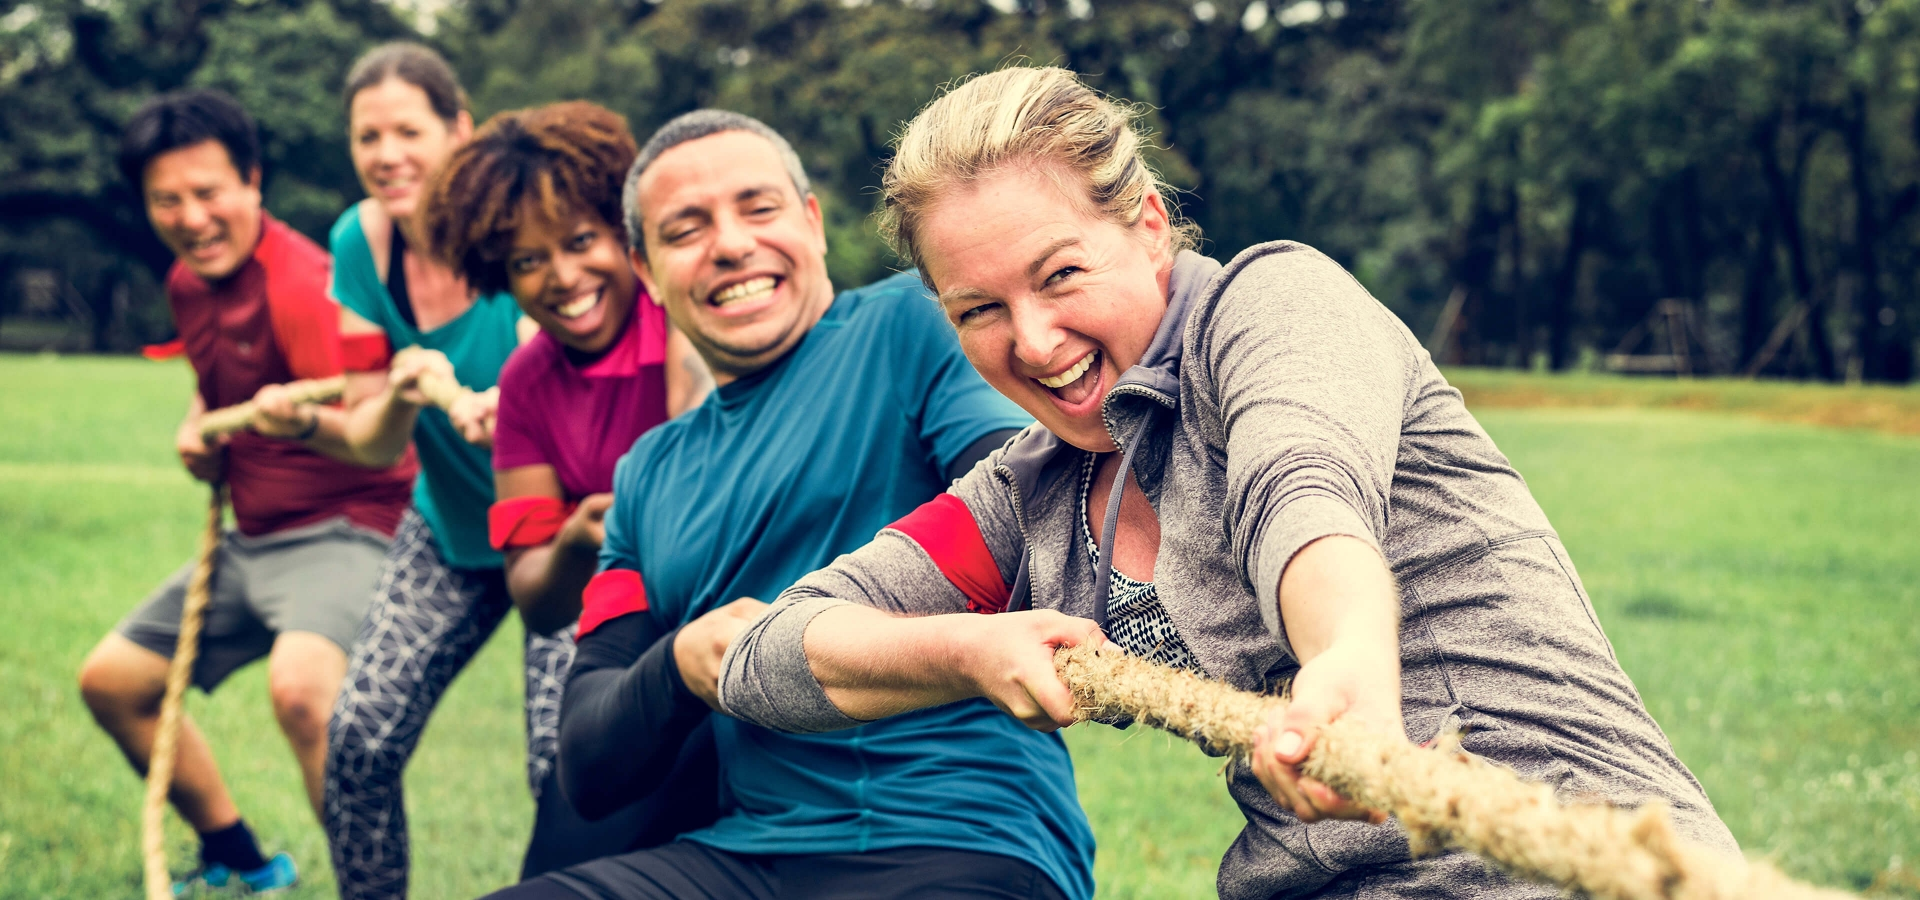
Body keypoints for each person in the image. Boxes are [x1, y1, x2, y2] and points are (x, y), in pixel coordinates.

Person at [717, 67, 1744, 900]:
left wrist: (1346, 655)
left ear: (1151, 227)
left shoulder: (1273, 310)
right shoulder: (1026, 500)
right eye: (977, 308)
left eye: (1061, 274)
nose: (1031, 339)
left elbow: (1302, 490)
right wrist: (969, 646)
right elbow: (769, 657)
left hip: (1562, 859)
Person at [485, 110, 1095, 900]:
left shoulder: (911, 322)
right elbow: (590, 762)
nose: (732, 243)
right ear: (645, 270)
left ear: (812, 223)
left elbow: (1029, 515)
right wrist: (679, 665)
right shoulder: (647, 477)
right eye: (686, 229)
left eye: (758, 207)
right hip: (745, 858)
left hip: (960, 837)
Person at [77, 87, 417, 895]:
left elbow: (376, 437)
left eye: (208, 193)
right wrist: (202, 426)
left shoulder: (306, 285)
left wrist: (290, 427)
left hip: (348, 526)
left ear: (252, 182)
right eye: (168, 200)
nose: (191, 217)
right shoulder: (190, 285)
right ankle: (241, 862)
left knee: (302, 691)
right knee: (113, 683)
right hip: (252, 539)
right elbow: (221, 382)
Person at [419, 99, 712, 878]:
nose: (562, 277)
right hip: (627, 635)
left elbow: (706, 447)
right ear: (498, 274)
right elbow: (536, 598)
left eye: (582, 241)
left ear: (627, 235)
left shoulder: (684, 312)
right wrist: (581, 539)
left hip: (739, 624)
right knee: (562, 861)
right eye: (526, 261)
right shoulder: (526, 385)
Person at [315, 43, 529, 900]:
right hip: (447, 530)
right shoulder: (360, 244)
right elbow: (368, 440)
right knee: (359, 739)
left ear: (459, 130)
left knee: (566, 765)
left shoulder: (521, 228)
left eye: (409, 129)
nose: (387, 153)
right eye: (368, 136)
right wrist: (403, 398)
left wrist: (506, 405)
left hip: (568, 531)